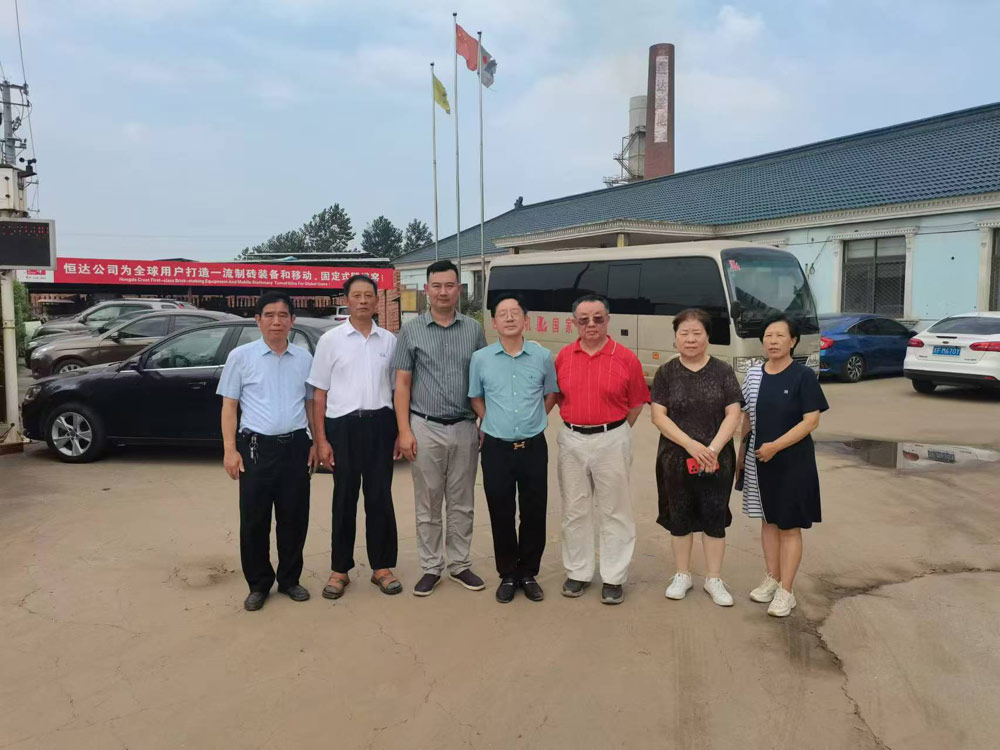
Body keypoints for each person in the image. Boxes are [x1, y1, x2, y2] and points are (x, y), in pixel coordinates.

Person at [218, 291, 319, 611]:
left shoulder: (304, 358)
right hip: (255, 449)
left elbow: (310, 403)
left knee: (294, 518)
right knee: (254, 521)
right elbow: (229, 406)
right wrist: (230, 450)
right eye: (270, 315)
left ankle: (290, 579)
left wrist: (317, 442)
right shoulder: (241, 357)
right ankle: (259, 583)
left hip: (296, 447)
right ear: (258, 320)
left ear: (292, 320)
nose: (277, 321)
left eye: (283, 315)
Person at [393, 260, 488, 597]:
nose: (443, 292)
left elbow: (484, 380)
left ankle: (459, 564)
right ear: (427, 290)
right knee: (429, 502)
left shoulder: (473, 330)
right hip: (425, 426)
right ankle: (431, 566)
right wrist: (404, 431)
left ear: (459, 289)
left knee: (462, 502)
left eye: (449, 285)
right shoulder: (411, 331)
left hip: (464, 426)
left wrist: (485, 420)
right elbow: (402, 384)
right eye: (437, 286)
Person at [308, 275, 402, 600]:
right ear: (346, 300)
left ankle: (382, 567)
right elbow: (319, 394)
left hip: (381, 426)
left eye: (368, 296)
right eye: (357, 295)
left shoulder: (389, 341)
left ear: (377, 301)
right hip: (342, 428)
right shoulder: (330, 340)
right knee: (344, 499)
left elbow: (398, 390)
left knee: (380, 497)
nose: (363, 301)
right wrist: (321, 440)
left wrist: (399, 432)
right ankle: (340, 569)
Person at [554, 294, 650, 605]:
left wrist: (615, 431)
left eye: (598, 318)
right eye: (584, 319)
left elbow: (637, 403)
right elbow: (557, 397)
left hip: (612, 438)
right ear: (574, 323)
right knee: (575, 510)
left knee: (615, 510)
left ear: (608, 320)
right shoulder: (563, 357)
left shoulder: (625, 358)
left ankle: (613, 576)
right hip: (572, 439)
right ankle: (578, 572)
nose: (591, 324)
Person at [469, 293, 559, 604]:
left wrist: (535, 419)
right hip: (496, 447)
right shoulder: (481, 359)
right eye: (502, 314)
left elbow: (551, 394)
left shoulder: (542, 356)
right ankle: (508, 573)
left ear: (525, 320)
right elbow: (475, 397)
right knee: (501, 511)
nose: (509, 318)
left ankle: (528, 572)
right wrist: (492, 421)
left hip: (533, 446)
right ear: (493, 322)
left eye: (515, 313)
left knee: (534, 511)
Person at [650, 309, 743, 606]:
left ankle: (713, 578)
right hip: (676, 457)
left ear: (707, 336)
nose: (690, 339)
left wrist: (712, 449)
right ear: (676, 338)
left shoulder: (723, 371)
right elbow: (658, 415)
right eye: (684, 333)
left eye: (696, 333)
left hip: (717, 458)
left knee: (714, 516)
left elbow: (733, 413)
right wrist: (691, 445)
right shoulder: (666, 373)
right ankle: (682, 574)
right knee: (679, 516)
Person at [738, 313, 829, 617]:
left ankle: (786, 591)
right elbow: (746, 417)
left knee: (789, 526)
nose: (773, 341)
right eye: (768, 336)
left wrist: (776, 446)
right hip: (759, 460)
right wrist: (741, 456)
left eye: (779, 336)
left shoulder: (803, 376)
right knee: (767, 521)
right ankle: (772, 579)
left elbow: (811, 421)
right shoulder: (754, 375)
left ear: (793, 341)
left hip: (793, 462)